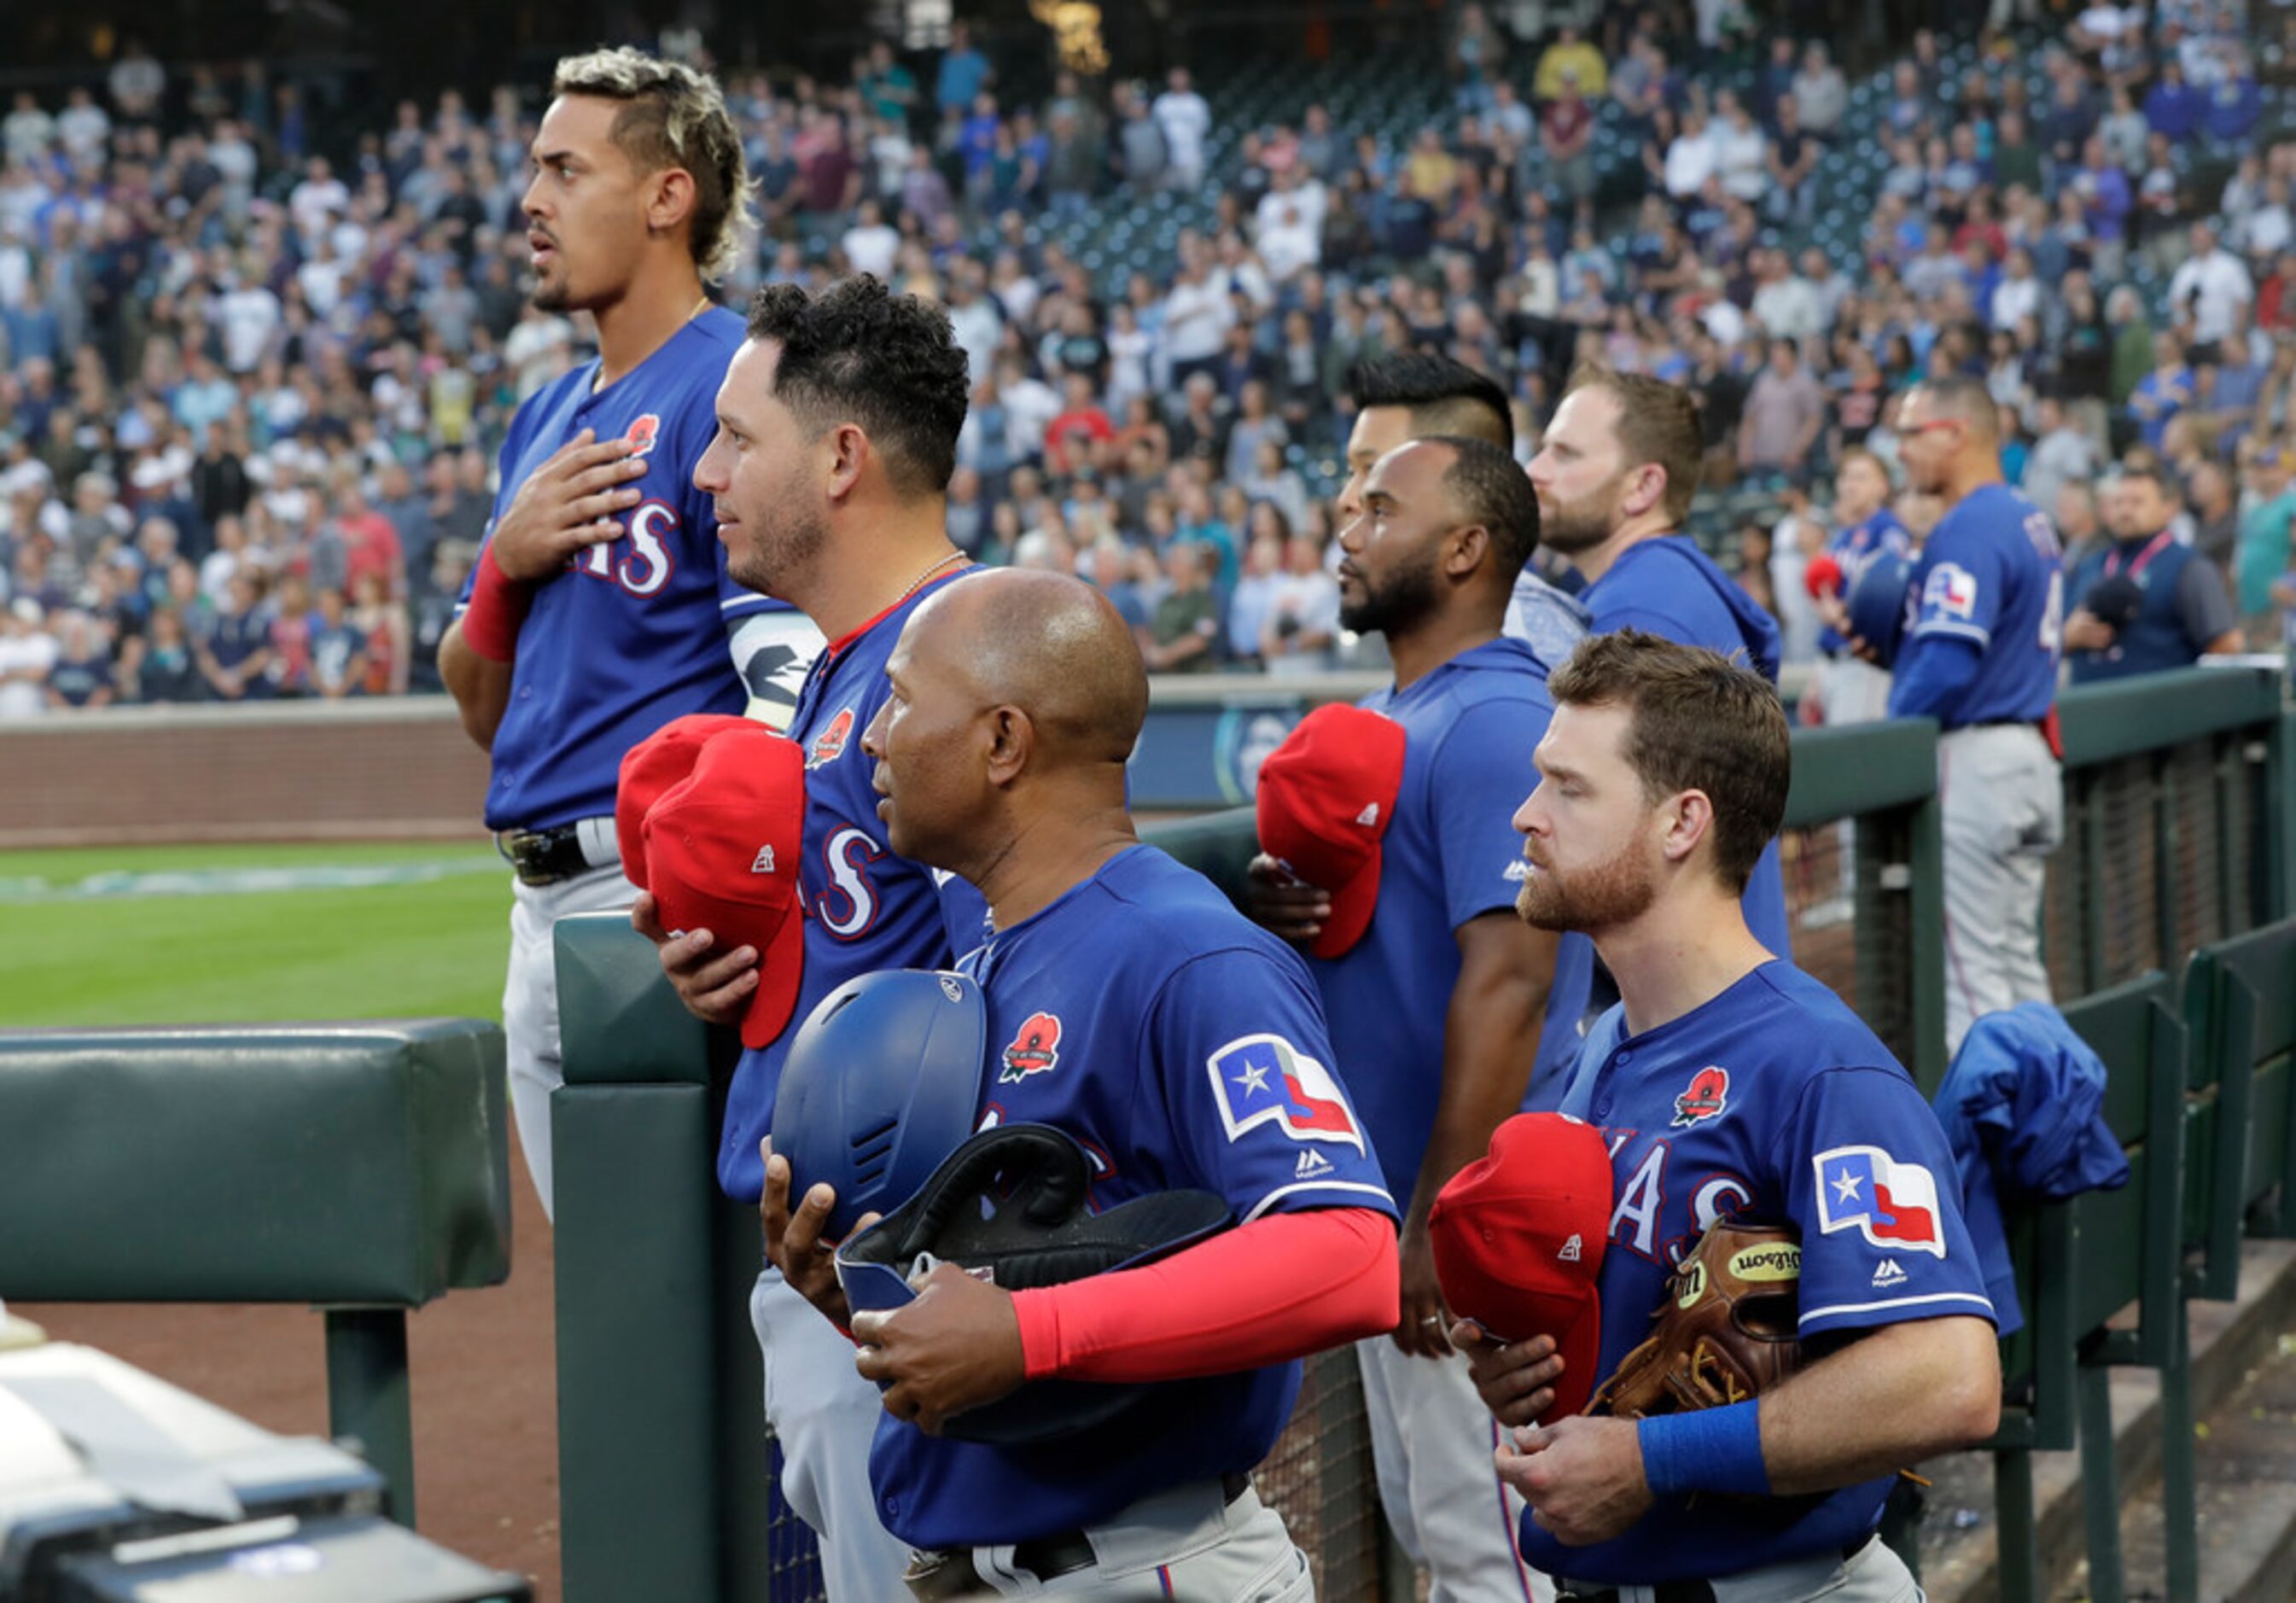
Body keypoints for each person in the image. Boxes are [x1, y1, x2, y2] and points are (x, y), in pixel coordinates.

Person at [760, 568, 1401, 1598]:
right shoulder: (995, 951)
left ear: (1003, 742)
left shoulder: (1183, 953)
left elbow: (1349, 1254)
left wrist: (1027, 1334)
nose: (872, 737)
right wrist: (873, 1310)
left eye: (903, 698)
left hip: (1142, 1566)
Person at [1458, 629, 2001, 1598]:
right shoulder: (1608, 1040)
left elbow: (1950, 1378)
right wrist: (1524, 1373)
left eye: (1567, 788)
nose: (1524, 815)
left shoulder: (1818, 1065)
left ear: (1681, 824)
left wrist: (1650, 1461)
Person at [639, 275, 988, 1600]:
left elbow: (1011, 1003)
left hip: (903, 1284)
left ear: (841, 456)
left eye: (735, 437)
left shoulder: (956, 660)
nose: (704, 471)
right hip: (842, 1269)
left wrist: (933, 1296)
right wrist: (746, 966)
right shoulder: (856, 660)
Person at [435, 48, 824, 1218]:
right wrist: (507, 559)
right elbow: (477, 703)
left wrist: (727, 887)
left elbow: (794, 675)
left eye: (565, 168)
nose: (532, 200)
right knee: (618, 1304)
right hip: (536, 899)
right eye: (533, 169)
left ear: (668, 197)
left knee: (699, 1295)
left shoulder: (737, 384)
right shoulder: (546, 416)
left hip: (660, 898)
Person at [1245, 434, 1576, 1603]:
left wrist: (1439, 1220)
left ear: (1464, 547)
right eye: (1346, 502)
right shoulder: (1412, 707)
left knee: (1496, 1553)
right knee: (1447, 1533)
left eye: (1378, 507)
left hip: (1473, 1220)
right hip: (1410, 1205)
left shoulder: (1490, 715)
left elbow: (1512, 980)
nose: (1344, 524)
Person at [1525, 364, 1791, 954]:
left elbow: (1619, 844)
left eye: (1565, 455)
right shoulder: (1666, 588)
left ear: (1642, 487)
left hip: (1683, 999)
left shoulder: (1646, 610)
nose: (1536, 471)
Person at [1882, 374, 2063, 1053]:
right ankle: (2062, 1145)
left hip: (1978, 765)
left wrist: (1888, 731)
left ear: (1954, 434)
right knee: (2020, 974)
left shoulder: (1970, 525)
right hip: (2029, 756)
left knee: (1972, 990)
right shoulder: (2025, 516)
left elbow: (1950, 662)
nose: (1899, 450)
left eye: (1909, 432)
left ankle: (1992, 1159)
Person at [2063, 464, 2241, 683]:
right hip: (2088, 707)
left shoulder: (2189, 566)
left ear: (2168, 508)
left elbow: (2225, 645)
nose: (2125, 511)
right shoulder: (2089, 565)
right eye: (2118, 503)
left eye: (2137, 502)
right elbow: (2047, 639)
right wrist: (2067, 638)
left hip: (2158, 710)